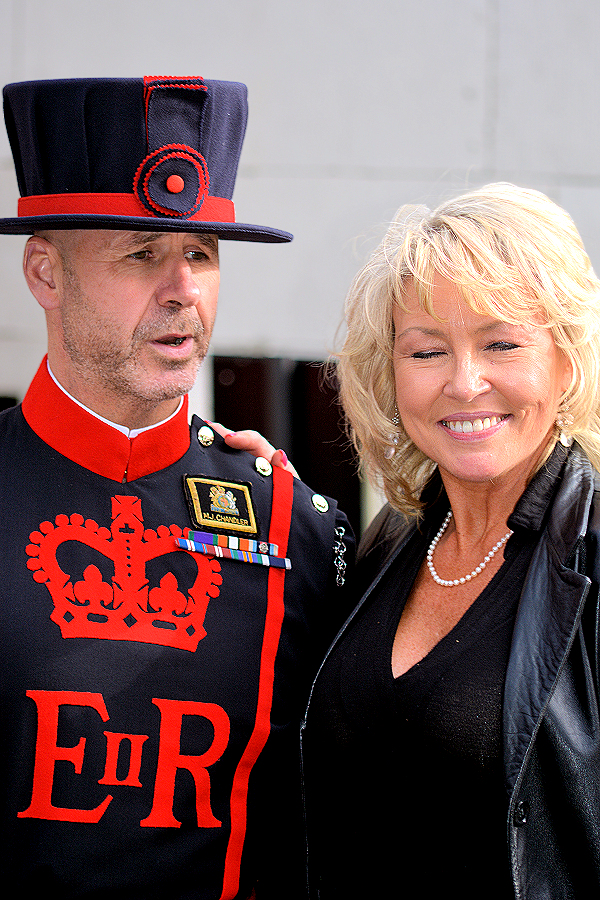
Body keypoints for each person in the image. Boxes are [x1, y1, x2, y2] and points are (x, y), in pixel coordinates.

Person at [0, 76, 353, 899]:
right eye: (141, 252)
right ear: (45, 273)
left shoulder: (295, 523)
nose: (182, 289)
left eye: (201, 253)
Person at [296, 183, 600, 898]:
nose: (464, 383)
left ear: (565, 360)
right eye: (427, 351)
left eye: (501, 343)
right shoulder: (393, 539)